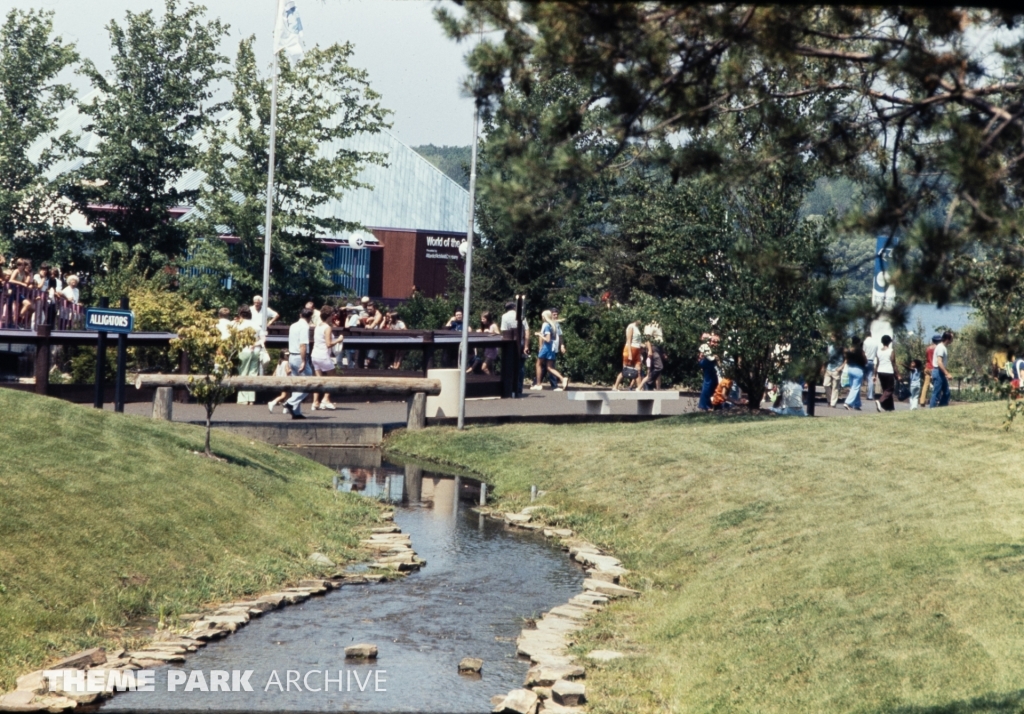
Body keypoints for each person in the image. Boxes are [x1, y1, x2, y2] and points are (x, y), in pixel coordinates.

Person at [282, 307, 315, 419]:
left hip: (292, 356)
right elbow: (303, 345)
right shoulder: (305, 327)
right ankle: (290, 402)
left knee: (297, 385)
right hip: (299, 357)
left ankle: (296, 412)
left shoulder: (293, 325)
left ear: (300, 315)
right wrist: (304, 361)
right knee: (309, 383)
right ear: (310, 317)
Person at [310, 304, 339, 410]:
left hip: (315, 355)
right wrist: (339, 340)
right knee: (333, 378)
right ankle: (325, 399)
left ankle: (315, 402)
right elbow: (328, 344)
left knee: (318, 379)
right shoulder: (327, 328)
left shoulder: (318, 325)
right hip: (323, 355)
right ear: (329, 316)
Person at [532, 310, 569, 390]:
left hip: (547, 347)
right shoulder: (553, 324)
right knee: (549, 367)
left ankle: (538, 384)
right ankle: (562, 378)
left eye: (543, 316)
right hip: (552, 347)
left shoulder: (546, 325)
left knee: (538, 364)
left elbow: (548, 339)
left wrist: (539, 335)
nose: (542, 318)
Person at [500, 301, 530, 392]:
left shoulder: (504, 317)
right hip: (521, 343)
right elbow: (527, 332)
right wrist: (526, 346)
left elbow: (504, 331)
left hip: (509, 344)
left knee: (509, 365)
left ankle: (509, 387)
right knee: (520, 366)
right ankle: (519, 387)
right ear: (514, 307)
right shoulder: (522, 316)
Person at [235, 306, 259, 405]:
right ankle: (251, 399)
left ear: (240, 314)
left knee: (243, 373)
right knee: (253, 374)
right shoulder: (256, 325)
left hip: (244, 350)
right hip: (256, 350)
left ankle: (243, 399)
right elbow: (263, 338)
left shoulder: (239, 325)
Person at [612, 318, 643, 391]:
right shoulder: (631, 326)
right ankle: (615, 386)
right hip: (630, 349)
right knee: (625, 369)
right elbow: (628, 340)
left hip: (637, 350)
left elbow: (637, 341)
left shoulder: (637, 328)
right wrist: (629, 353)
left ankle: (640, 388)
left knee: (638, 370)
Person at [929, 331, 954, 408]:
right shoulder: (940, 348)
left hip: (941, 373)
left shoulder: (943, 347)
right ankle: (932, 410)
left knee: (946, 393)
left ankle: (941, 408)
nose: (953, 340)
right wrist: (947, 374)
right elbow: (939, 362)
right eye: (952, 338)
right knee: (936, 393)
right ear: (948, 339)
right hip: (938, 372)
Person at [874, 334, 899, 412]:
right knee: (890, 389)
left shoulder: (879, 351)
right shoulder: (891, 351)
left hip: (880, 371)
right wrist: (898, 374)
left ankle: (889, 408)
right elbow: (893, 363)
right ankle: (880, 401)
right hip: (888, 372)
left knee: (885, 389)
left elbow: (877, 364)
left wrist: (874, 375)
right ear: (889, 342)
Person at [843, 336, 868, 410]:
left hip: (850, 368)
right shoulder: (860, 351)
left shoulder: (849, 350)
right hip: (858, 369)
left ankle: (857, 404)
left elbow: (846, 359)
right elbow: (865, 360)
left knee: (854, 387)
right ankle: (848, 402)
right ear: (858, 342)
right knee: (855, 387)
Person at [823, 336, 846, 407]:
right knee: (825, 384)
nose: (832, 338)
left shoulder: (841, 347)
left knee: (835, 387)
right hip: (829, 367)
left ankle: (833, 403)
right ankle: (830, 400)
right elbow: (827, 356)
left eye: (833, 337)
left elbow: (847, 358)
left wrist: (841, 367)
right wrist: (823, 366)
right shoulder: (829, 345)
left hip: (837, 369)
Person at [697, 342, 719, 410]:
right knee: (708, 384)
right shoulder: (706, 346)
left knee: (712, 384)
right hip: (708, 363)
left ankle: (710, 404)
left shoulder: (707, 345)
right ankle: (705, 405)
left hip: (707, 362)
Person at [920, 335, 940, 406]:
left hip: (927, 367)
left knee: (926, 385)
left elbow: (927, 358)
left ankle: (922, 401)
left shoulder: (928, 348)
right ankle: (936, 400)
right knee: (937, 385)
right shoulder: (937, 348)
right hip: (934, 368)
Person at [862, 330, 878, 401]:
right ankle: (870, 395)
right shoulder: (875, 343)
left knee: (861, 377)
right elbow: (876, 353)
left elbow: (863, 352)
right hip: (871, 361)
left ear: (866, 335)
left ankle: (857, 395)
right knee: (870, 378)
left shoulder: (865, 342)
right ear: (871, 335)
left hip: (865, 360)